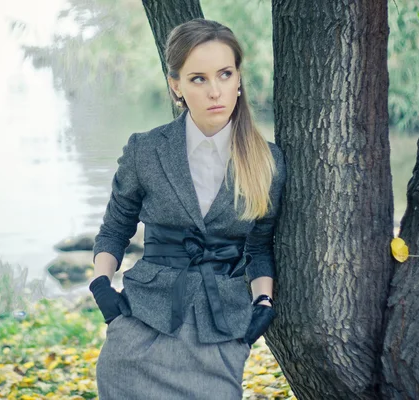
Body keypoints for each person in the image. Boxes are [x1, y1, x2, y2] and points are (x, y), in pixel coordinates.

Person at [88, 18, 286, 400]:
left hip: (221, 338)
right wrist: (102, 289)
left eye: (225, 74)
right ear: (175, 85)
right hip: (138, 332)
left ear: (238, 78)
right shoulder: (145, 150)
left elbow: (260, 247)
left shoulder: (269, 162)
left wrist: (263, 305)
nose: (216, 91)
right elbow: (115, 229)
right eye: (198, 78)